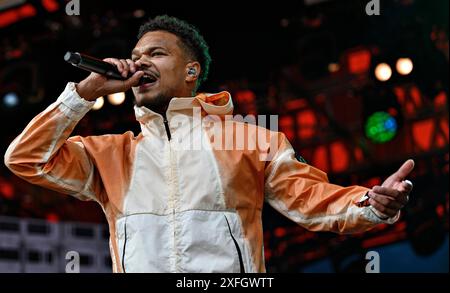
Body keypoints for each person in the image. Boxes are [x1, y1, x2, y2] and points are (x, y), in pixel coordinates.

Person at [4, 15, 414, 273]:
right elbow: (25, 159)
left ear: (190, 71)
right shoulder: (110, 153)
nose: (140, 62)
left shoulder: (250, 140)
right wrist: (84, 92)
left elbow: (315, 201)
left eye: (157, 53)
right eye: (135, 55)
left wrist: (371, 204)